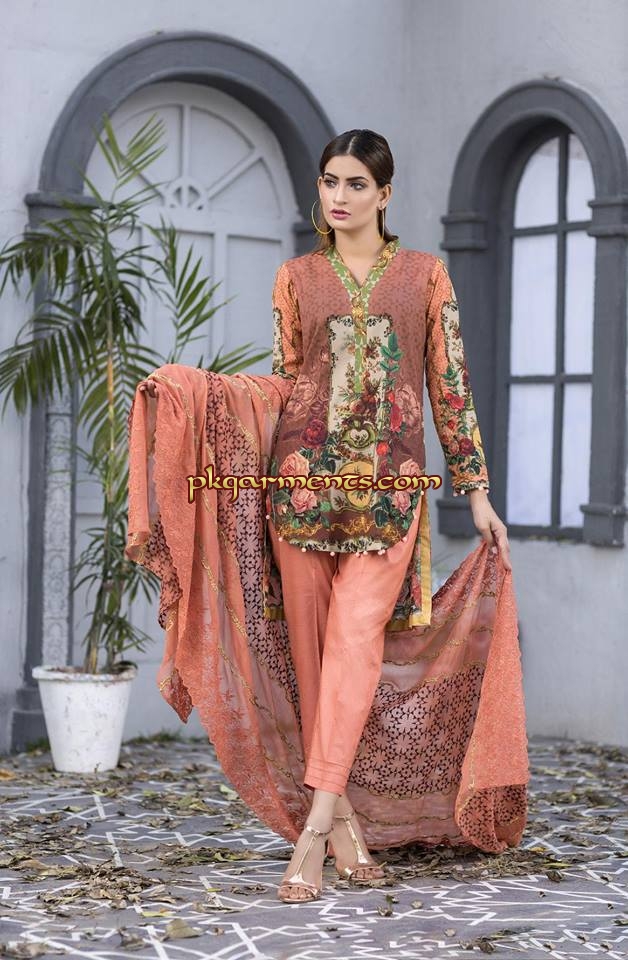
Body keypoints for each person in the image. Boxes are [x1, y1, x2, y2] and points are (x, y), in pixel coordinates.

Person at [134, 129, 519, 906]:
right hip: (301, 489)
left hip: (389, 493)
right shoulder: (297, 278)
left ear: (385, 194)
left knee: (352, 646)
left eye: (355, 184)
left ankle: (311, 831)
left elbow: (450, 387)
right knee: (313, 659)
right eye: (329, 182)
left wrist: (475, 490)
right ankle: (343, 824)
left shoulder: (424, 277)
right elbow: (286, 385)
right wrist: (197, 393)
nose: (339, 197)